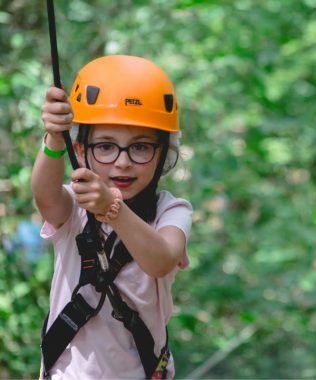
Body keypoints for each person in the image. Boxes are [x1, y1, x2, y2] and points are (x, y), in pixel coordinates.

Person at [31, 55, 192, 380]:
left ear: (162, 153)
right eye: (105, 146)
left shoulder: (171, 211)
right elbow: (46, 198)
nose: (122, 162)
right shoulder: (76, 205)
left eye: (141, 147)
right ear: (81, 148)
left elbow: (161, 259)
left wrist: (112, 208)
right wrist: (53, 138)